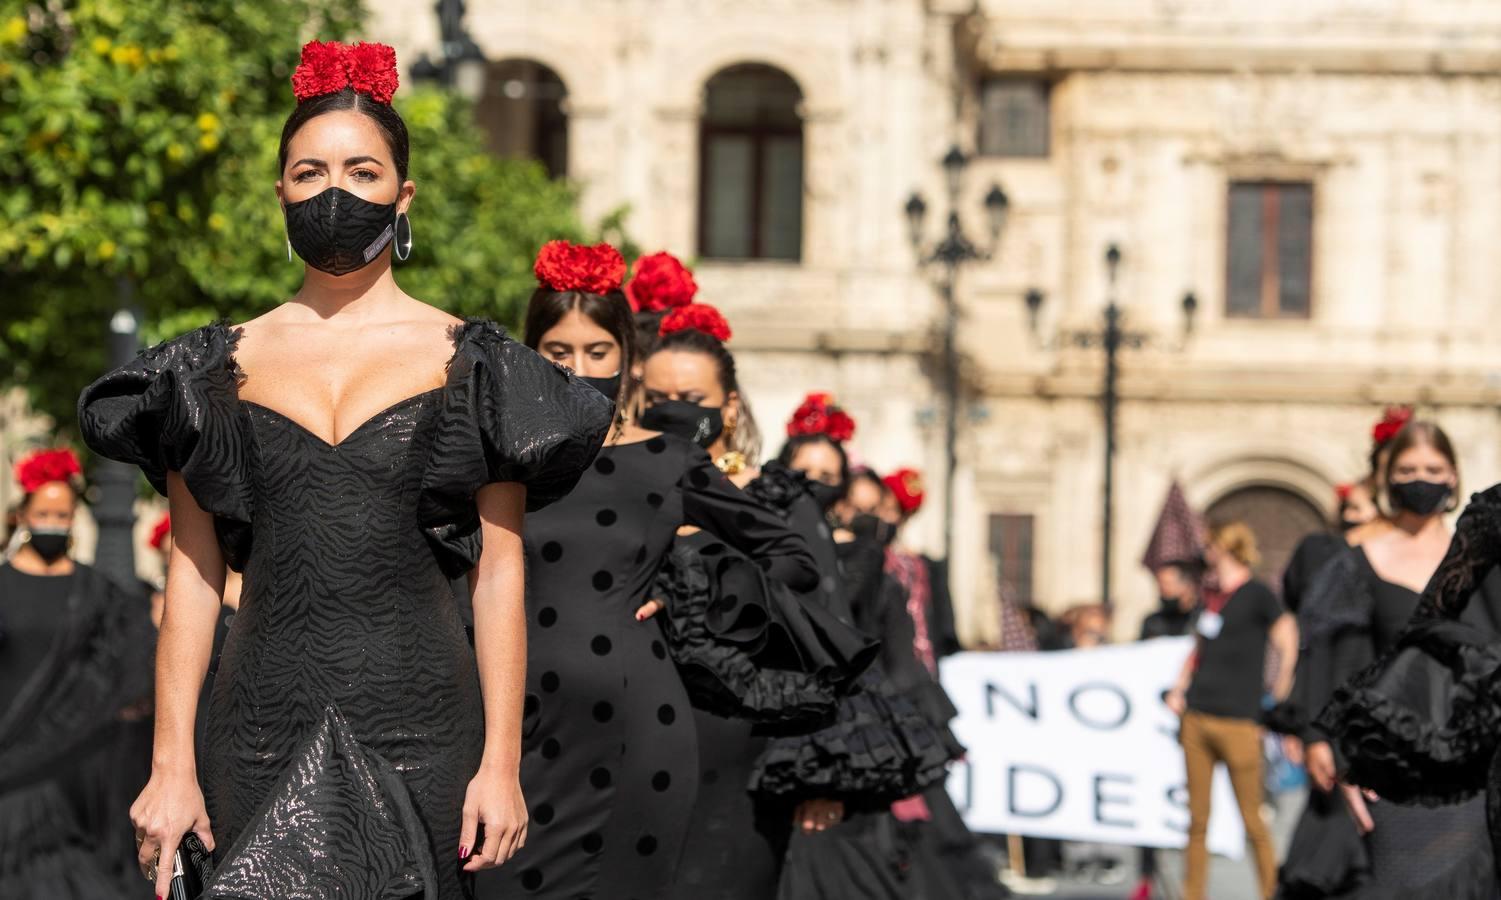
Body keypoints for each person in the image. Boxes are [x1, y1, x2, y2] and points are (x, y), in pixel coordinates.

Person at [80, 41, 615, 900]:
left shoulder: (477, 367)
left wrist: (501, 763)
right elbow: (191, 574)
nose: (334, 191)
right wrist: (169, 765)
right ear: (281, 194)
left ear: (402, 198)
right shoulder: (201, 370)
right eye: (308, 172)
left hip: (426, 736)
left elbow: (499, 573)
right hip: (251, 734)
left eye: (361, 171)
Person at [481, 250, 821, 900]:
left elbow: (791, 558)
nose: (578, 368)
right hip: (508, 737)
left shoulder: (667, 460)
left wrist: (693, 587)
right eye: (557, 350)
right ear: (530, 353)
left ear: (627, 358)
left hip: (636, 735)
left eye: (597, 350)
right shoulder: (493, 457)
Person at [637, 300, 874, 900]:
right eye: (657, 397)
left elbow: (826, 630)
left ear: (730, 406)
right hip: (633, 743)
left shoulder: (774, 498)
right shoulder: (615, 483)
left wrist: (822, 769)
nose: (672, 412)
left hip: (741, 748)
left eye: (691, 400)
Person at [1299, 421, 1498, 897]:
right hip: (1398, 763)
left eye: (1433, 468)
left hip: (1479, 759)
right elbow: (1337, 661)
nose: (1421, 479)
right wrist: (1334, 745)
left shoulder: (1480, 551)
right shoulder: (1355, 560)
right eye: (1408, 468)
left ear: (1453, 477)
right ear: (1388, 475)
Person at [0, 448, 154, 899]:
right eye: (44, 512)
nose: (54, 522)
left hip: (76, 770)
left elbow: (131, 661)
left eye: (63, 513)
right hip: (8, 757)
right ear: (23, 514)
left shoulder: (97, 592)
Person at [1165, 522, 1296, 900]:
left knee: (1252, 818)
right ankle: (1193, 894)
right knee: (1197, 820)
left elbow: (1287, 635)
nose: (1206, 550)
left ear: (1228, 547)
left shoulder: (1256, 594)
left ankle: (1271, 891)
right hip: (1198, 716)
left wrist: (1281, 688)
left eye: (1211, 544)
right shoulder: (1210, 596)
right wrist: (1179, 687)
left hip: (1239, 719)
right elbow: (1198, 648)